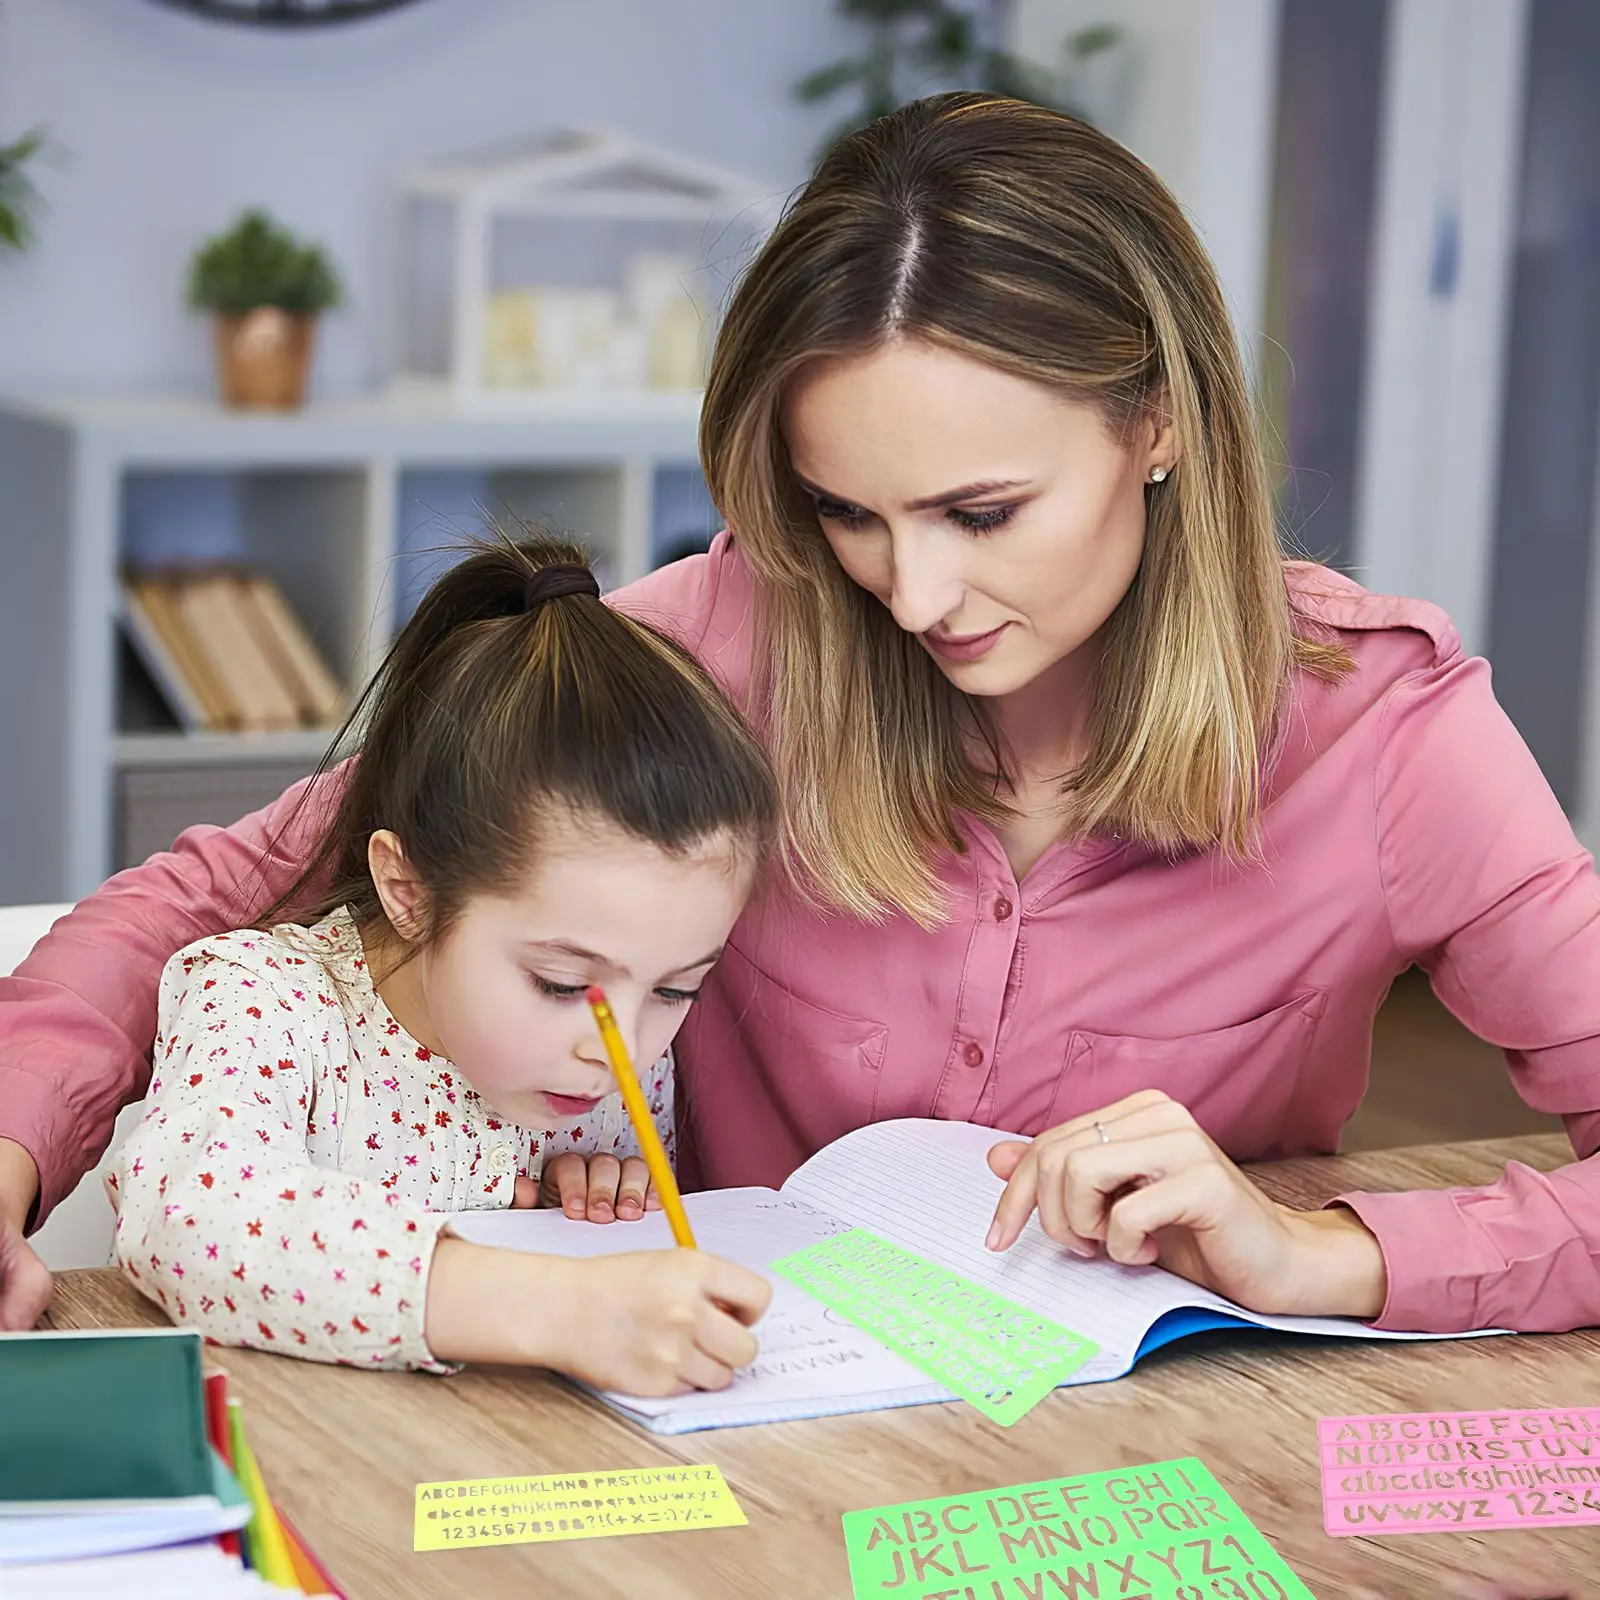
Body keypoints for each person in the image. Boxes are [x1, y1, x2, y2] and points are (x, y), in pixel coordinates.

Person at [4, 93, 1600, 1340]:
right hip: (732, 1426)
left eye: (983, 511)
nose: (910, 596)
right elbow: (230, 889)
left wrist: (1319, 1249)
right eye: (849, 513)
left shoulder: (1382, 731)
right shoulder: (718, 644)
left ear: (1161, 422)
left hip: (1160, 1450)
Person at [105, 537, 775, 1387]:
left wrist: (603, 1202)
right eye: (564, 985)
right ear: (408, 888)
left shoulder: (620, 1055)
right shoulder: (265, 1001)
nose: (623, 1049)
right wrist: (559, 1303)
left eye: (679, 987)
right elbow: (190, 1220)